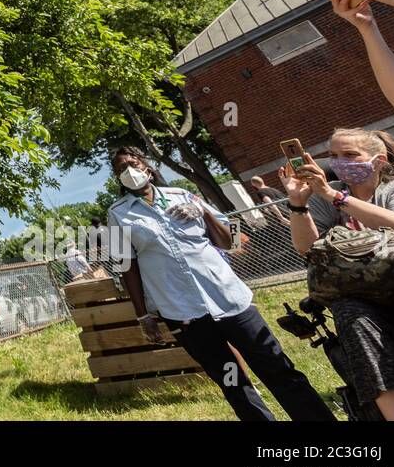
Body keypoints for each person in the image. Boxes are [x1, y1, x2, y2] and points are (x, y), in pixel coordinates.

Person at [107, 146, 333, 421]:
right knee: (232, 381)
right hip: (184, 313)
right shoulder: (118, 214)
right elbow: (126, 267)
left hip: (230, 301)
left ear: (147, 166)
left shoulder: (184, 195)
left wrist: (202, 211)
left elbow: (233, 240)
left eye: (132, 163)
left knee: (277, 368)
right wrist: (143, 315)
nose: (128, 171)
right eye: (120, 169)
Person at [281, 127, 394, 420]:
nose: (340, 162)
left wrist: (335, 196)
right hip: (361, 292)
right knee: (350, 313)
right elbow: (308, 249)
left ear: (377, 160)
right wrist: (298, 204)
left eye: (350, 155)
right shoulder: (325, 196)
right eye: (334, 156)